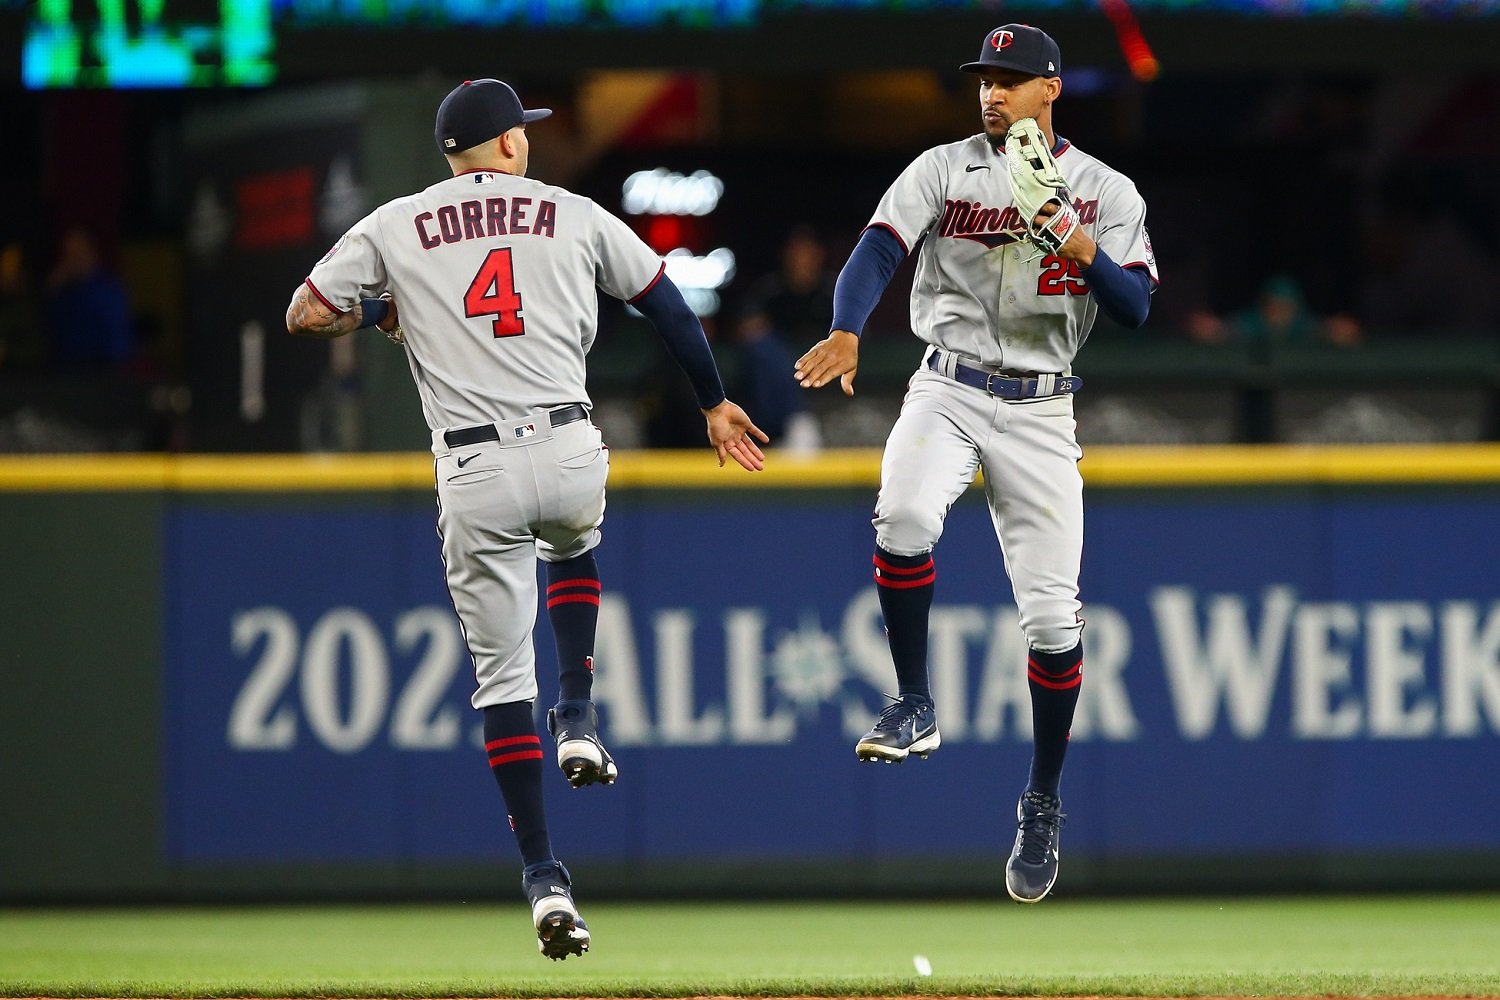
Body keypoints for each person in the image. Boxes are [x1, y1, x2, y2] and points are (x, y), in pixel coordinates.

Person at [285, 78, 768, 959]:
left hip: (472, 465)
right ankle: (578, 709)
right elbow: (664, 300)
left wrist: (384, 309)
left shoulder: (398, 222)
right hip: (568, 443)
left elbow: (305, 311)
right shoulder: (569, 211)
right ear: (506, 144)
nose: (528, 142)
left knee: (500, 680)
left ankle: (545, 878)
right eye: (523, 132)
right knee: (575, 542)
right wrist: (713, 402)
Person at [793, 24, 1158, 904]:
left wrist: (1074, 238)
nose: (993, 93)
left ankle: (1041, 801)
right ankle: (913, 702)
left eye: (1012, 79)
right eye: (985, 79)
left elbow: (1138, 305)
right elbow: (878, 248)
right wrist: (848, 325)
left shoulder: (1104, 189)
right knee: (905, 516)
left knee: (1051, 623)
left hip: (1043, 408)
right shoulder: (944, 167)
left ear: (1051, 91)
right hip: (947, 384)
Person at [734, 226, 834, 448]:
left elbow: (859, 333)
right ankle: (797, 423)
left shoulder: (832, 291)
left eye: (807, 253)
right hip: (778, 369)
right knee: (766, 351)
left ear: (818, 255)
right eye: (796, 253)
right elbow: (748, 330)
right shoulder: (771, 290)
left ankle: (790, 427)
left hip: (821, 365)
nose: (802, 260)